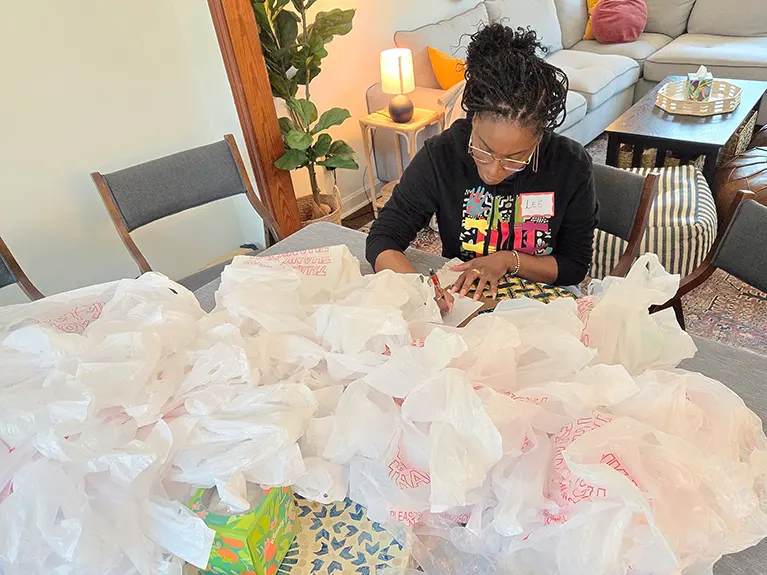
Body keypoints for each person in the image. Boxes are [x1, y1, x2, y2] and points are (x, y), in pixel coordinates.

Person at [365, 24, 598, 313]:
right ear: (472, 120)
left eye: (515, 158)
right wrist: (421, 291)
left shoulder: (570, 165)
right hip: (464, 300)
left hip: (543, 302)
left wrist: (507, 260)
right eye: (483, 150)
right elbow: (383, 238)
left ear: (539, 139)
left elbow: (574, 266)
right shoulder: (442, 155)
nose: (493, 172)